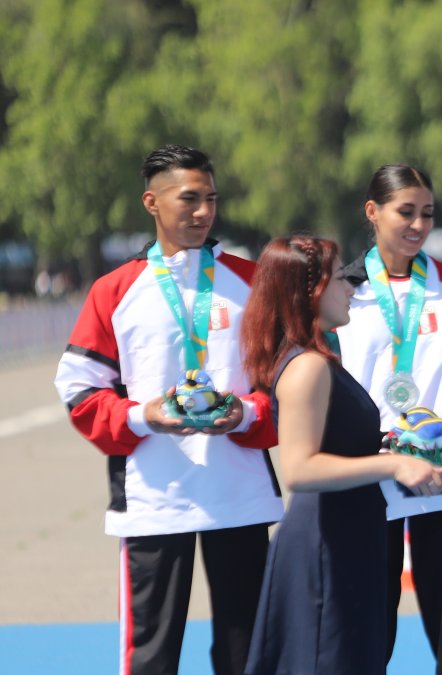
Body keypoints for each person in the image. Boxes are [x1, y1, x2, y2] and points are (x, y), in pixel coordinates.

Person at [52, 145, 283, 675]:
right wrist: (141, 417)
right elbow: (80, 387)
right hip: (153, 495)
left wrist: (246, 413)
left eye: (211, 199)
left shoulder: (256, 281)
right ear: (151, 202)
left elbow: (289, 382)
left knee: (247, 654)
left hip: (239, 493)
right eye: (189, 199)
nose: (203, 211)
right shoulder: (114, 290)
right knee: (151, 655)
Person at [240, 235, 442, 674]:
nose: (351, 286)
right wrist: (394, 464)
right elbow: (299, 468)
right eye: (339, 279)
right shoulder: (307, 367)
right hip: (325, 547)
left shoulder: (318, 358)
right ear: (309, 291)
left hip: (348, 540)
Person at [336, 164, 442, 673]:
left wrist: (438, 433)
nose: (417, 225)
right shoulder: (341, 288)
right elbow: (323, 383)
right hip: (368, 476)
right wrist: (378, 444)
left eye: (427, 214)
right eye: (405, 212)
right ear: (373, 212)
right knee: (365, 630)